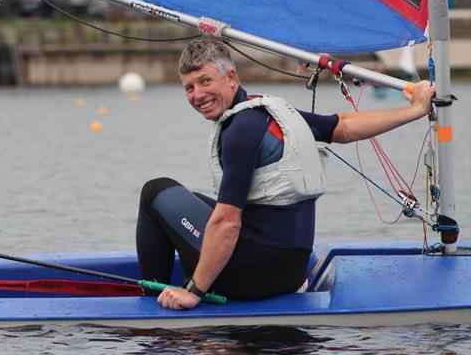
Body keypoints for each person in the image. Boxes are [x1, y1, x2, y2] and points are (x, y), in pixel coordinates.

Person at [137, 39, 436, 310]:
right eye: (189, 87)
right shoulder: (272, 111)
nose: (197, 95)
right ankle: (188, 279)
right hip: (291, 272)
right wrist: (414, 111)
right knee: (195, 201)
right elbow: (342, 127)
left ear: (230, 78)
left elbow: (228, 223)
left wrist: (194, 291)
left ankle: (153, 304)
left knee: (155, 192)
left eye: (205, 81)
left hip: (250, 276)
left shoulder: (241, 131)